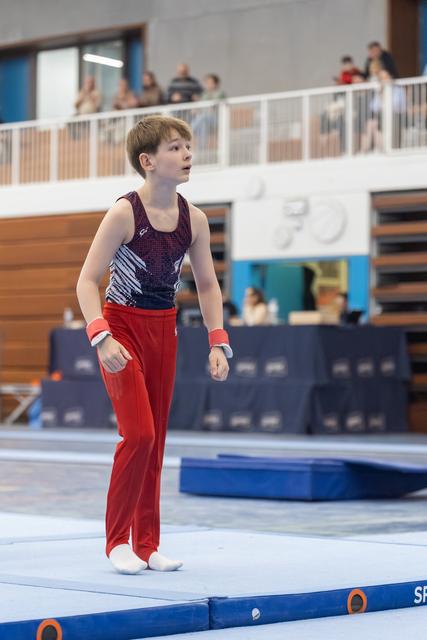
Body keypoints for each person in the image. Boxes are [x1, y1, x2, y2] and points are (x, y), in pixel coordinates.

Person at [76, 114, 233, 575]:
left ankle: (147, 543)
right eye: (176, 147)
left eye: (188, 146)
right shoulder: (124, 212)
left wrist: (217, 341)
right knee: (138, 434)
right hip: (121, 329)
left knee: (157, 441)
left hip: (164, 328)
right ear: (148, 161)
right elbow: (86, 281)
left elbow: (207, 285)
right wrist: (100, 335)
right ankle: (116, 541)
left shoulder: (195, 219)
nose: (187, 154)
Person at [192, 74, 226, 151]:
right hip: (206, 119)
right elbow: (201, 107)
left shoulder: (220, 93)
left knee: (202, 118)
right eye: (207, 83)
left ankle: (189, 130)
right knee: (203, 123)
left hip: (217, 119)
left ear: (216, 84)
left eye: (211, 83)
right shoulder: (204, 94)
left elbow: (214, 106)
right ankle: (202, 148)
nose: (208, 85)